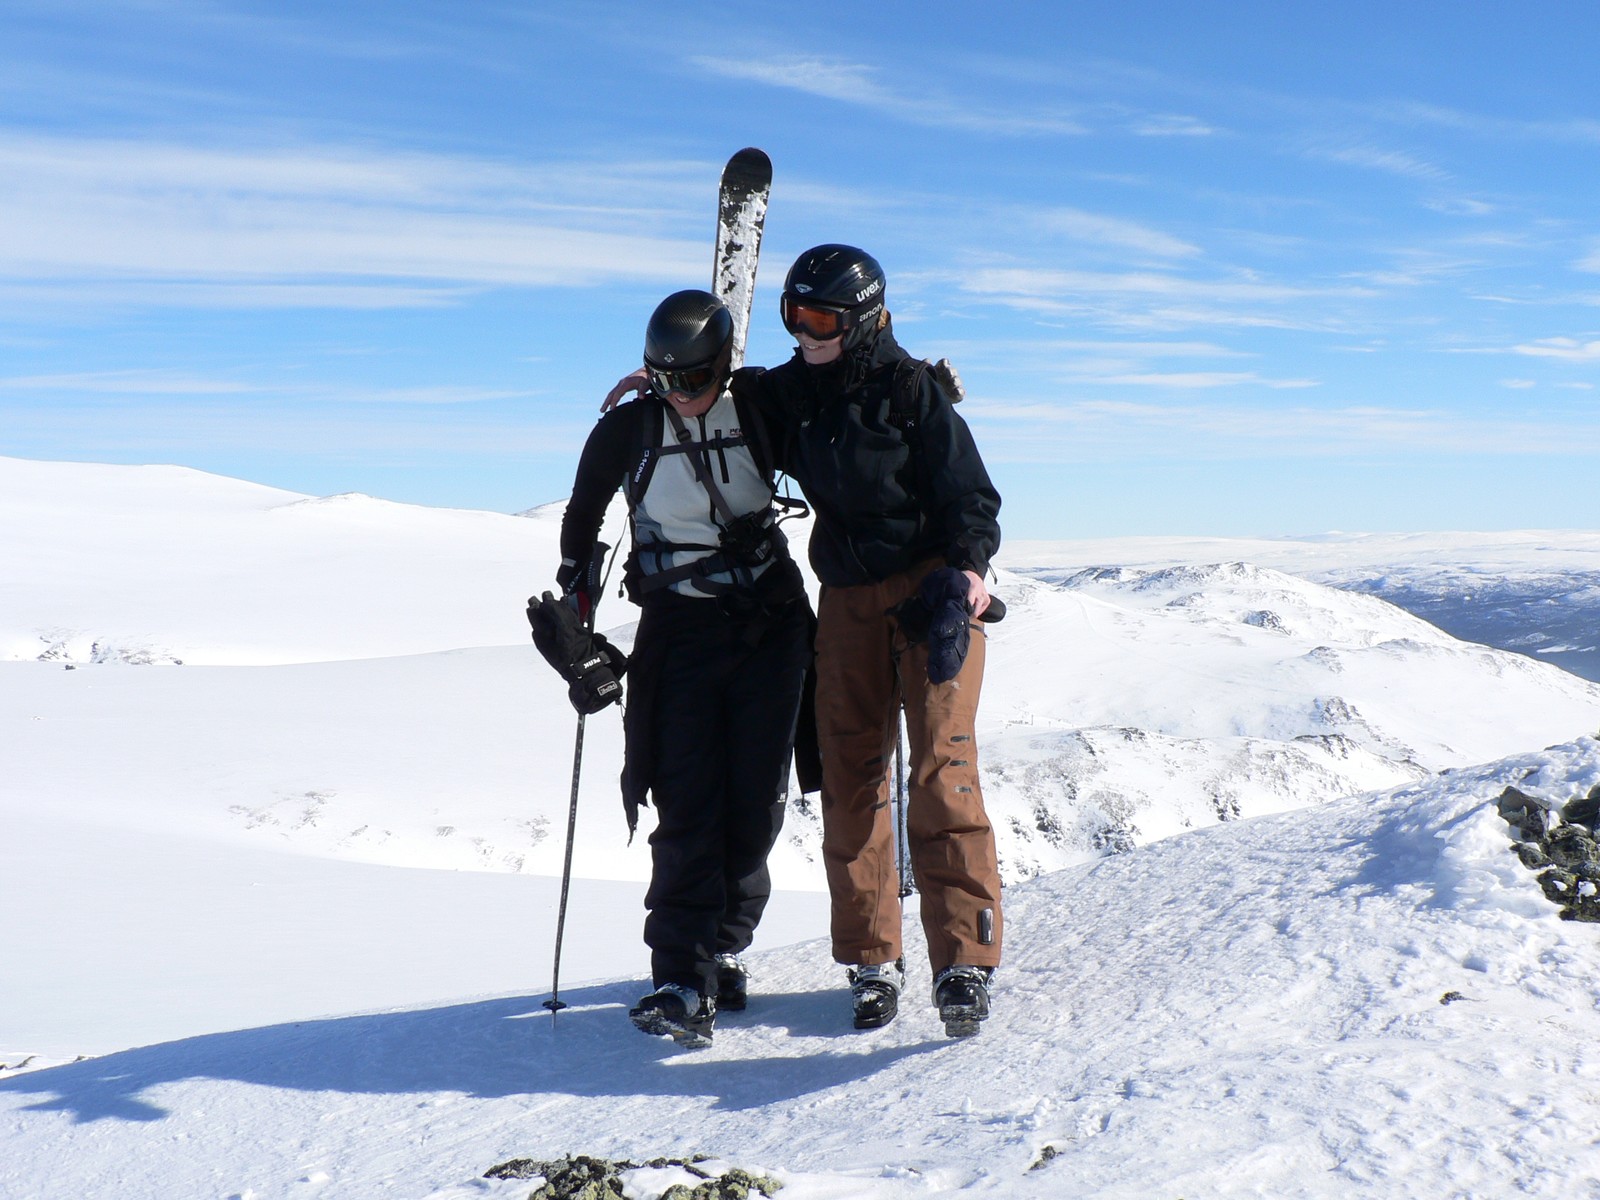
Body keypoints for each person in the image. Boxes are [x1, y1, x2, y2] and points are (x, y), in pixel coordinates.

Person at [606, 246, 1004, 1038]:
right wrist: (659, 381)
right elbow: (716, 392)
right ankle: (872, 959)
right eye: (796, 316)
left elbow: (972, 496)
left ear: (863, 318)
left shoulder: (911, 391)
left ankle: (963, 961)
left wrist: (968, 571)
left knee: (941, 769)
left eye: (822, 319)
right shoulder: (789, 392)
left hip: (931, 592)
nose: (806, 333)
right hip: (848, 597)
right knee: (850, 776)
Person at [556, 288, 814, 1050]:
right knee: (685, 798)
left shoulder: (761, 406)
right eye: (665, 379)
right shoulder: (629, 428)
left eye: (694, 379)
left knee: (755, 802)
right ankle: (681, 976)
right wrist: (575, 628)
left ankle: (723, 947)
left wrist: (923, 386)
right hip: (678, 629)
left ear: (723, 364)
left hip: (770, 627)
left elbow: (842, 413)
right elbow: (582, 524)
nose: (680, 395)